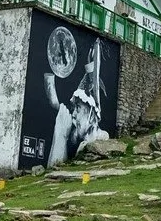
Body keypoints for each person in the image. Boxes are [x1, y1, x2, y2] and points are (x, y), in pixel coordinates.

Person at [42, 37, 110, 167]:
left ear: (92, 116)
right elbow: (52, 169)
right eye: (73, 109)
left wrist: (61, 137)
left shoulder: (102, 140)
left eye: (78, 108)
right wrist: (61, 135)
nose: (73, 114)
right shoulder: (81, 146)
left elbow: (54, 168)